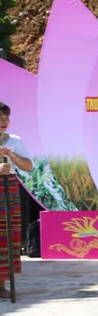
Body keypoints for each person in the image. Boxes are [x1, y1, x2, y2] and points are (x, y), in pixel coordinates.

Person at [0, 102, 34, 298]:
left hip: (8, 190)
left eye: (6, 118)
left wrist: (11, 155)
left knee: (6, 237)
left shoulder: (14, 141)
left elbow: (28, 166)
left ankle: (1, 284)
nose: (4, 122)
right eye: (0, 118)